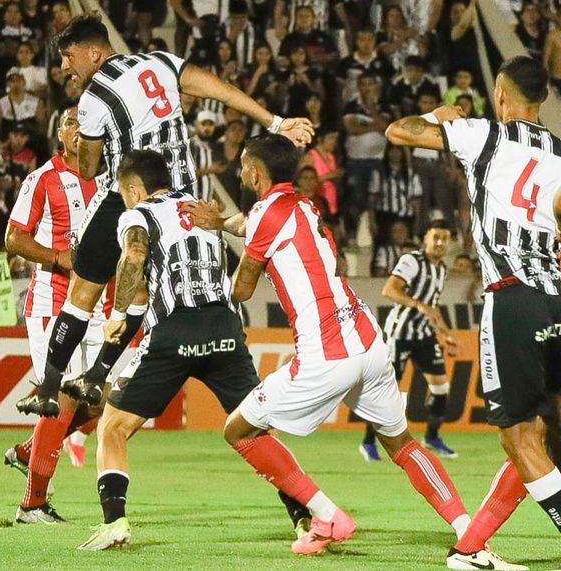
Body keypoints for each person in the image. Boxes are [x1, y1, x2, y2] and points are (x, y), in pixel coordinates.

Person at [184, 134, 476, 559]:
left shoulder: (266, 213)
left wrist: (217, 261)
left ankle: (326, 515)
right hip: (367, 340)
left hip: (325, 353)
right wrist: (223, 223)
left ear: (253, 172)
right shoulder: (303, 204)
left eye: (244, 166)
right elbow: (255, 223)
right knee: (403, 443)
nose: (242, 172)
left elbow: (243, 289)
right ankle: (468, 528)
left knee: (239, 430)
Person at [17, 13, 312, 418]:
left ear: (94, 52)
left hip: (127, 197)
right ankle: (98, 376)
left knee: (82, 294)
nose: (64, 67)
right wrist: (276, 122)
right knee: (141, 292)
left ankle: (48, 388)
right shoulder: (161, 62)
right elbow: (222, 90)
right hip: (181, 198)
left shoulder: (93, 98)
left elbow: (86, 169)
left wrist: (95, 150)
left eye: (69, 57)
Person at [79, 149, 308, 550]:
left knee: (113, 427)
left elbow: (134, 254)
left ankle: (114, 523)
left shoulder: (137, 214)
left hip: (173, 331)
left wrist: (116, 313)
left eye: (124, 192)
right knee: (255, 430)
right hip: (223, 327)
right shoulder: (201, 207)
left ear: (134, 189)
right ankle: (304, 514)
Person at [386, 56, 561, 569]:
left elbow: (400, 132)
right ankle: (469, 548)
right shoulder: (558, 151)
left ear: (502, 97)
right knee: (538, 435)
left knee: (519, 436)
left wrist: (446, 116)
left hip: (512, 299)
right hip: (556, 296)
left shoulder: (484, 134)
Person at [2, 107, 107, 524]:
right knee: (62, 398)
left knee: (105, 400)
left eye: (86, 124)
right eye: (70, 124)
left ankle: (30, 451)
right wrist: (57, 257)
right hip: (52, 304)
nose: (79, 131)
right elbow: (14, 238)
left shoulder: (109, 179)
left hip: (97, 307)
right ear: (60, 134)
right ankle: (32, 504)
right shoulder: (43, 179)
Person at [359, 220, 459, 462]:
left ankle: (432, 437)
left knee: (441, 388)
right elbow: (390, 290)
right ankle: (368, 442)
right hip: (399, 334)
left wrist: (445, 333)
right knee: (387, 391)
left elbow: (432, 306)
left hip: (424, 335)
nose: (439, 243)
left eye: (444, 238)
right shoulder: (411, 261)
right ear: (425, 238)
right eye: (435, 237)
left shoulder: (442, 269)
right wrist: (418, 305)